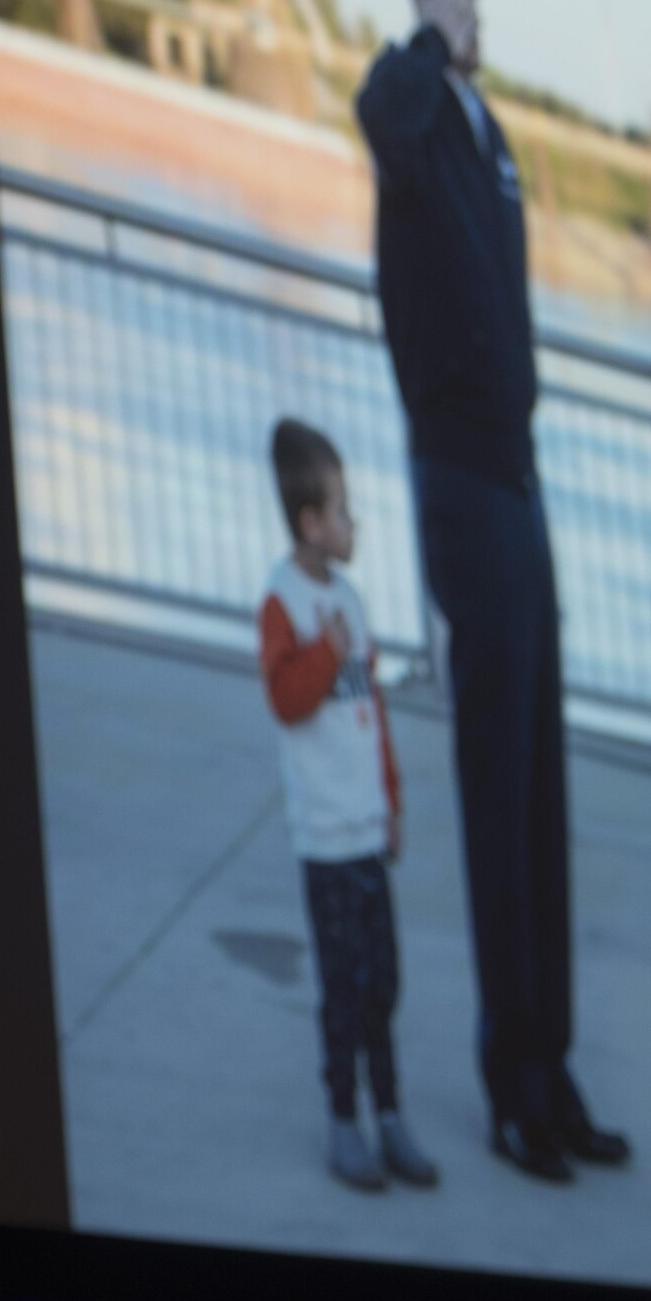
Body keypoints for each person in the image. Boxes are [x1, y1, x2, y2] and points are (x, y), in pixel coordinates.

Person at [356, 0, 630, 1182]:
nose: (475, 4)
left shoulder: (490, 128)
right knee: (492, 787)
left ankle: (552, 1068)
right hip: (459, 480)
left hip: (516, 481)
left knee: (540, 785)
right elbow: (386, 122)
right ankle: (507, 1086)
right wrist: (421, 27)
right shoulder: (408, 102)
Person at [259, 418, 438, 1193]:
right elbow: (286, 700)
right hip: (325, 840)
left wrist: (391, 799)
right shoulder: (284, 604)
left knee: (384, 981)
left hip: (365, 828)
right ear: (308, 523)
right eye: (339, 509)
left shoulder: (353, 601)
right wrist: (323, 651)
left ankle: (390, 1114)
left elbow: (374, 719)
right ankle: (343, 1119)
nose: (351, 522)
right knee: (344, 987)